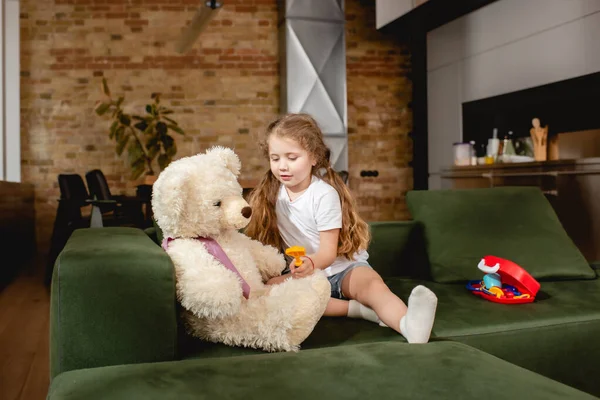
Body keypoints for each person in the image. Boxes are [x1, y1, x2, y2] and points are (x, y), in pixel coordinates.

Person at [245, 113, 437, 343]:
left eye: (292, 157)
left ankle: (409, 325)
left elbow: (327, 252)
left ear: (314, 157)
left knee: (373, 286)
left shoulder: (323, 194)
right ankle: (358, 310)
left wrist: (311, 263)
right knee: (267, 290)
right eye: (275, 158)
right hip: (306, 275)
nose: (282, 166)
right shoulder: (272, 195)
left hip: (342, 268)